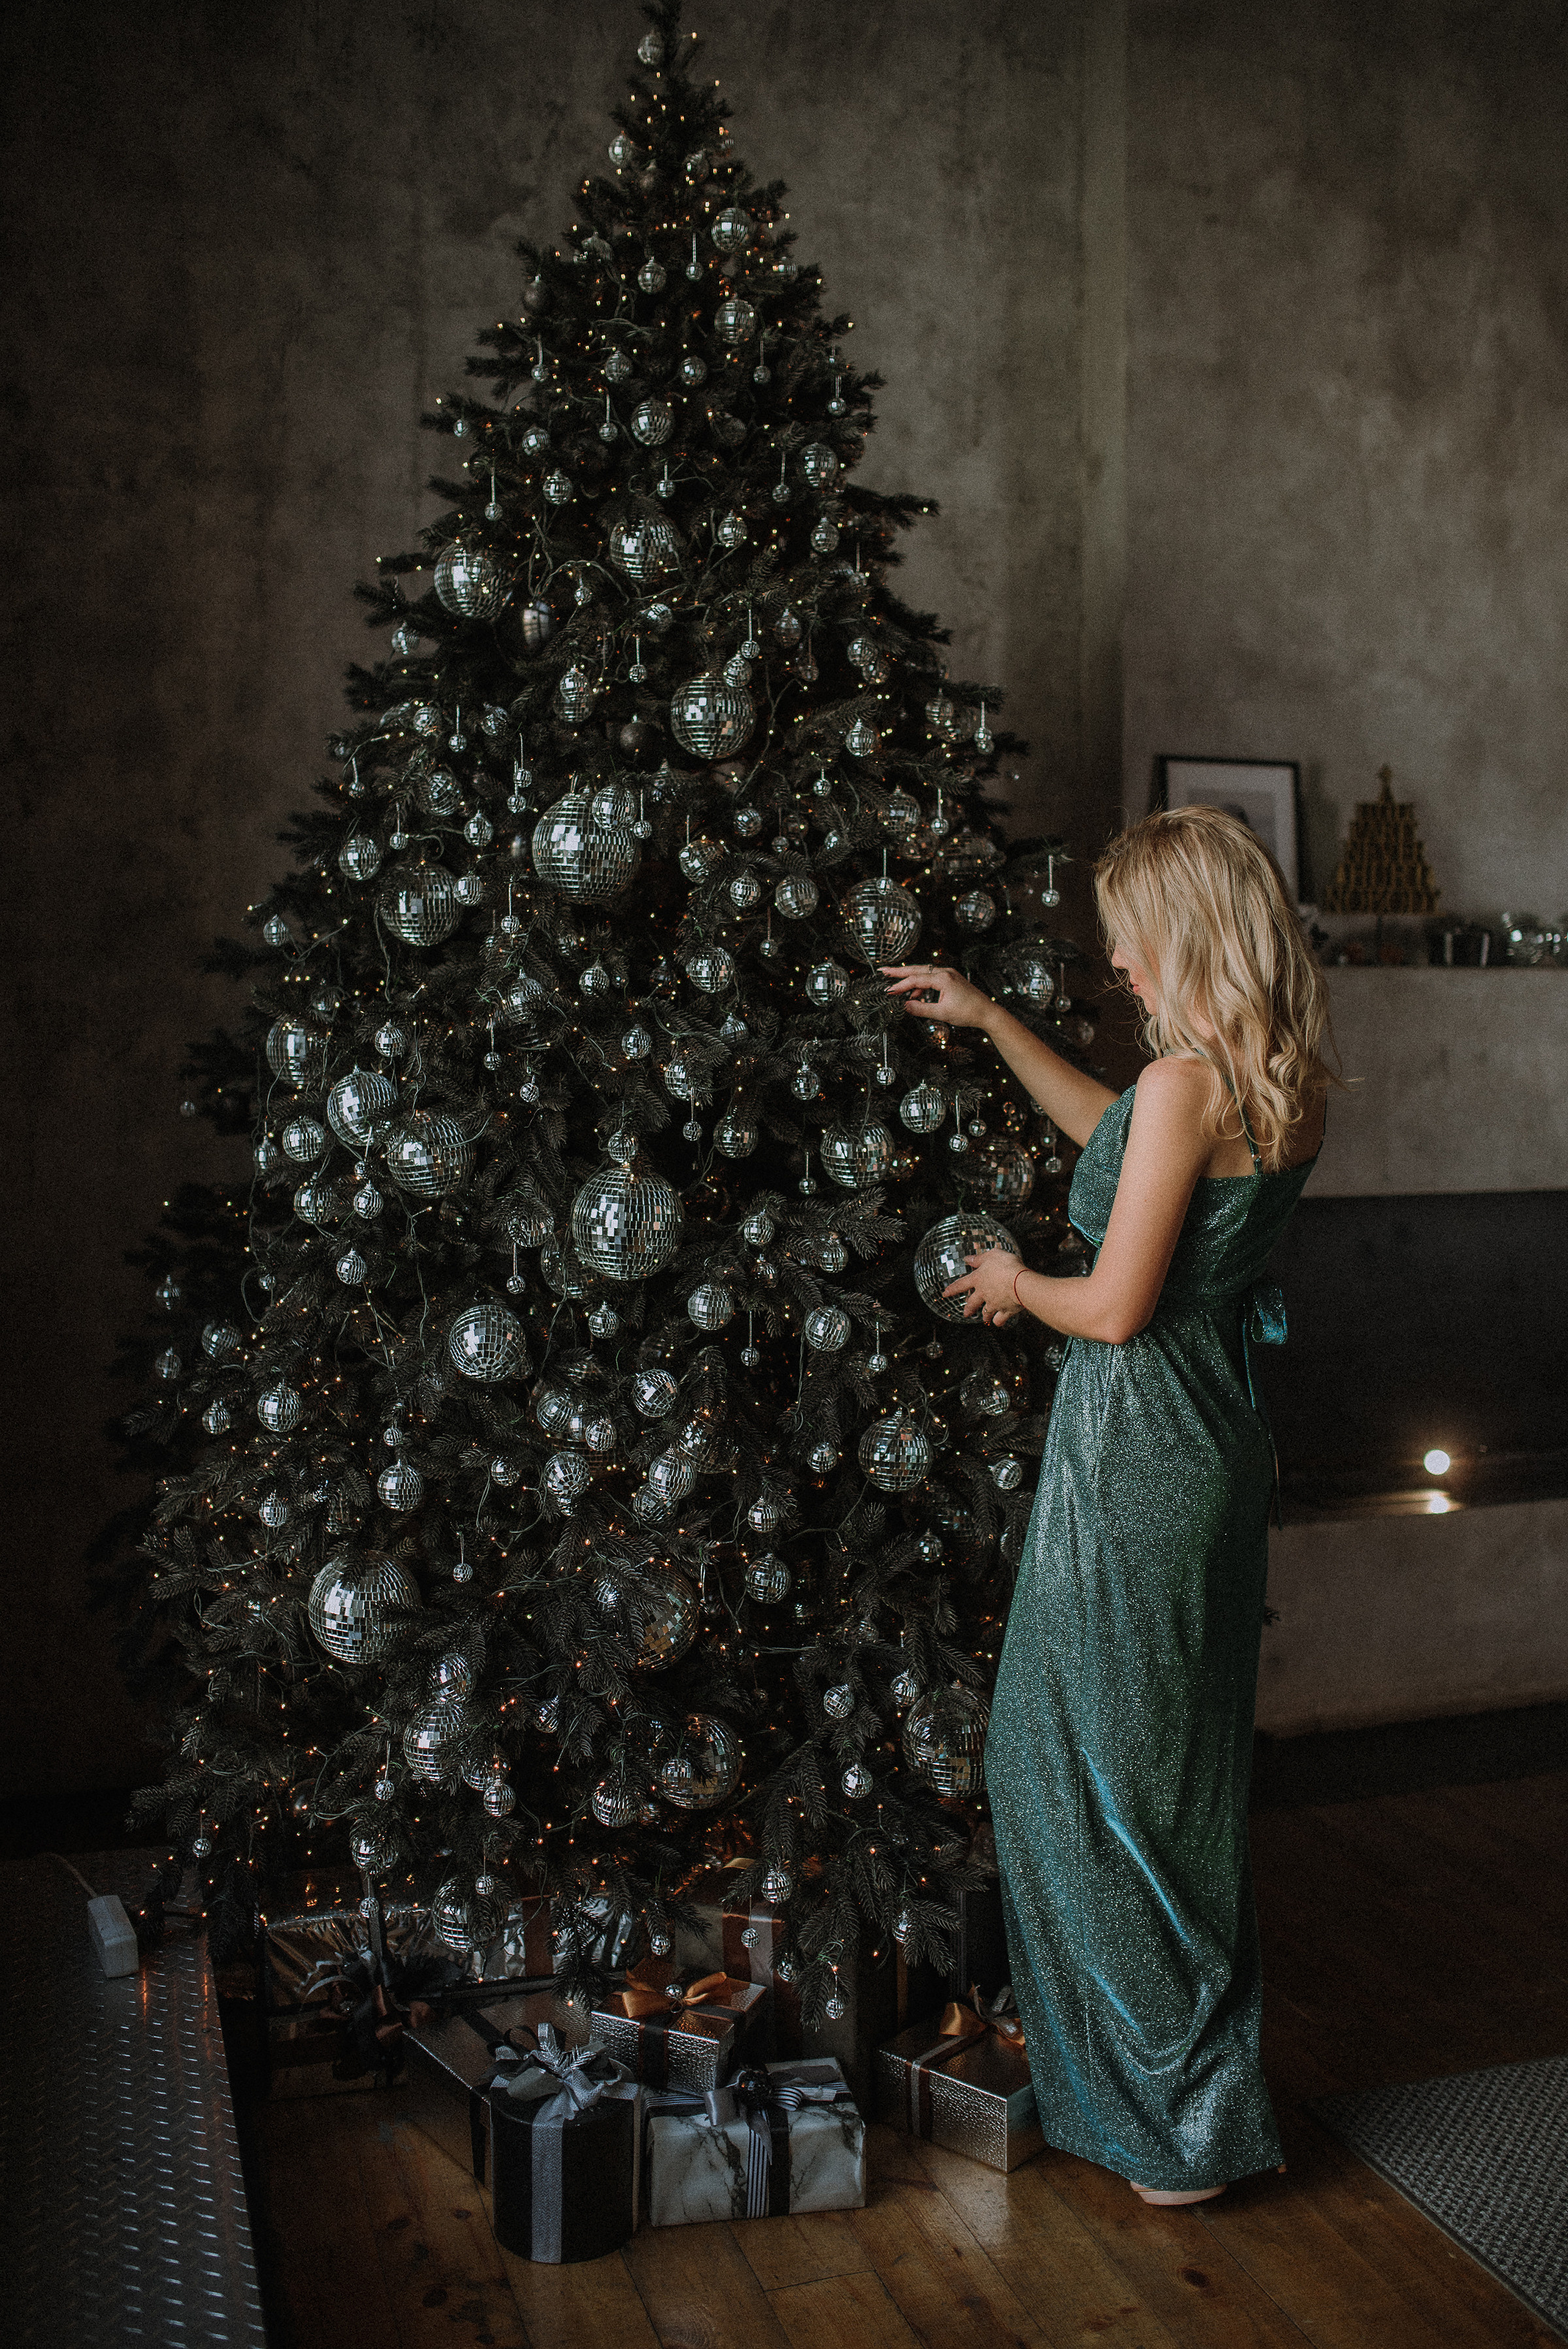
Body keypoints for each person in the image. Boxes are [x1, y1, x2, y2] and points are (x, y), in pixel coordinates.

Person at [883, 804, 1335, 2208]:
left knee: (1065, 1769)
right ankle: (1187, 2099)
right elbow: (1124, 1133)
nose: (1120, 968)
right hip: (1212, 1450)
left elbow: (1117, 1301)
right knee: (1164, 1783)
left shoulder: (1190, 1085)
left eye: (1132, 945)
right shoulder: (1269, 1079)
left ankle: (1175, 2125)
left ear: (1186, 934)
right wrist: (994, 1020)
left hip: (1138, 1453)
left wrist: (1019, 1286)